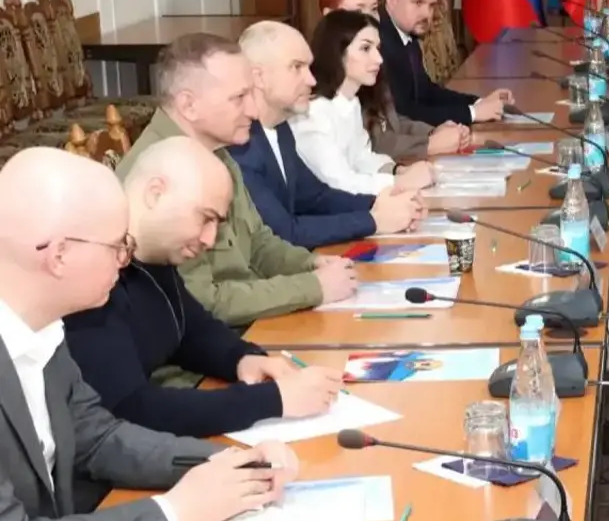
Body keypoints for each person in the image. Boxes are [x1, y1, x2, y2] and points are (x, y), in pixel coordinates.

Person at [0, 148, 298, 521]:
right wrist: (175, 512)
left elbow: (98, 438)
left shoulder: (42, 328)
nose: (125, 262)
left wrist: (229, 465)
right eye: (117, 246)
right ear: (59, 255)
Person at [64, 137, 344, 438]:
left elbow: (190, 329)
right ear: (155, 193)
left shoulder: (157, 254)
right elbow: (131, 408)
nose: (210, 239)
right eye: (205, 218)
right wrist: (271, 401)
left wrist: (242, 359)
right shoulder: (91, 276)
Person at [116, 33, 358, 328]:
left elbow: (258, 241)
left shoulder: (215, 150)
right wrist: (312, 287)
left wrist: (310, 265)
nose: (253, 111)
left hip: (251, 324)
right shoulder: (164, 178)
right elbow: (204, 303)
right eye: (239, 98)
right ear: (189, 105)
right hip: (215, 344)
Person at [231, 21, 425, 249]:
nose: (311, 80)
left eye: (308, 67)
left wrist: (380, 203)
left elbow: (316, 198)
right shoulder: (240, 145)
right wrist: (374, 220)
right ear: (258, 77)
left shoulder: (280, 129)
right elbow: (285, 232)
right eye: (297, 67)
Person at [294, 10, 466, 195]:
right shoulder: (313, 114)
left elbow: (362, 157)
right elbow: (339, 182)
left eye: (377, 48)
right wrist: (399, 182)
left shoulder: (351, 102)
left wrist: (397, 170)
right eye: (365, 48)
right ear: (336, 51)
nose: (379, 59)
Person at [379, 0, 512, 126]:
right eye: (418, 3)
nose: (427, 14)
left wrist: (478, 103)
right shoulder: (380, 42)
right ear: (391, 1)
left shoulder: (406, 34)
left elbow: (427, 93)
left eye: (431, 5)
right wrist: (472, 113)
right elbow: (404, 113)